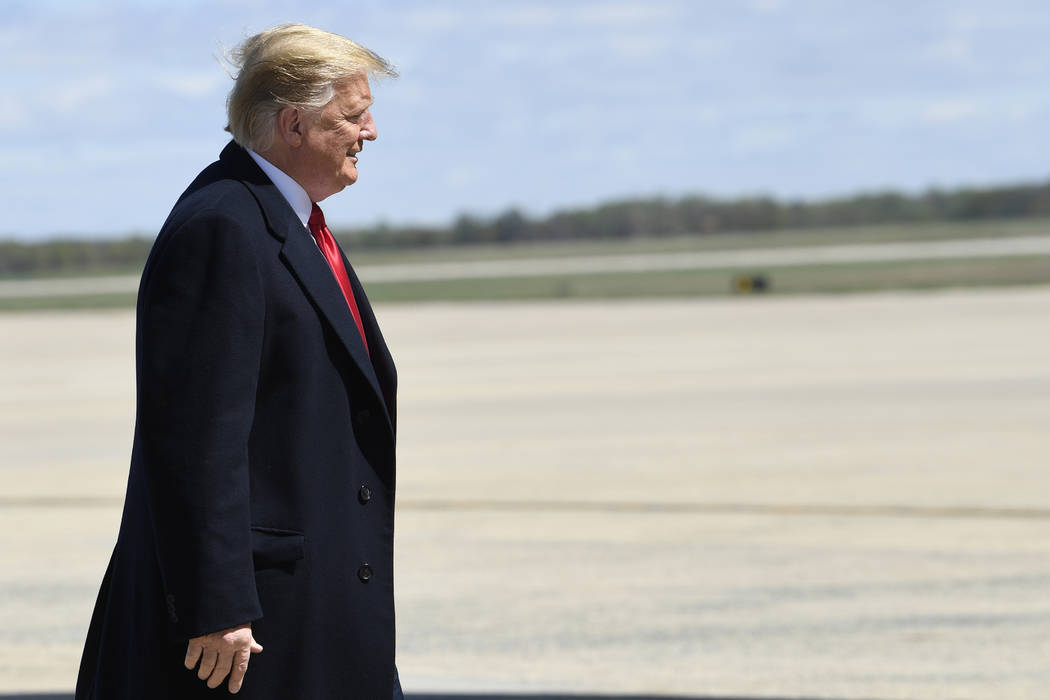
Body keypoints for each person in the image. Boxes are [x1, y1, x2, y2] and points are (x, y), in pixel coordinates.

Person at [75, 24, 403, 699]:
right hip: (245, 637)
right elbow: (194, 439)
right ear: (293, 125)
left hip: (313, 612)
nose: (370, 131)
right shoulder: (224, 226)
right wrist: (215, 605)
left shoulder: (283, 221)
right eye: (353, 115)